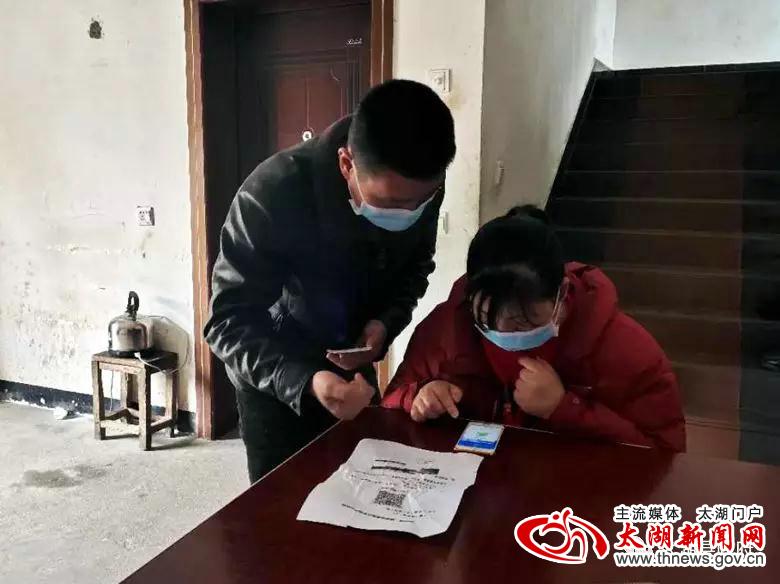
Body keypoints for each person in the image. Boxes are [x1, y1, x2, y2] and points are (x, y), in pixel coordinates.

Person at [205, 80, 456, 482]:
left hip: (353, 365)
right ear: (346, 164)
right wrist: (305, 380)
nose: (408, 213)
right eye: (391, 203)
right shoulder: (272, 193)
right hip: (276, 374)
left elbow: (415, 268)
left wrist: (384, 325)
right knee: (282, 501)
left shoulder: (421, 186)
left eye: (419, 202)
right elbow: (226, 323)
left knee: (366, 487)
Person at [382, 205, 686, 451]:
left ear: (562, 292)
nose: (503, 334)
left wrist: (564, 408)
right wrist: (419, 396)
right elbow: (389, 404)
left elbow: (665, 454)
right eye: (486, 318)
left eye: (523, 321)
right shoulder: (446, 327)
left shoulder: (624, 348)